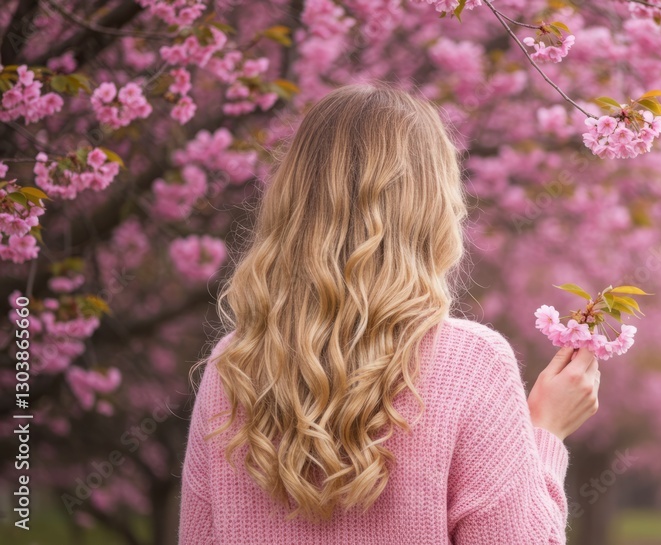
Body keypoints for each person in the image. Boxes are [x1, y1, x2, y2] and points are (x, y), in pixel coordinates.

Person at [178, 83, 601, 544]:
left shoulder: (232, 368)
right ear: (433, 209)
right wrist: (545, 433)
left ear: (293, 202)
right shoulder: (471, 363)